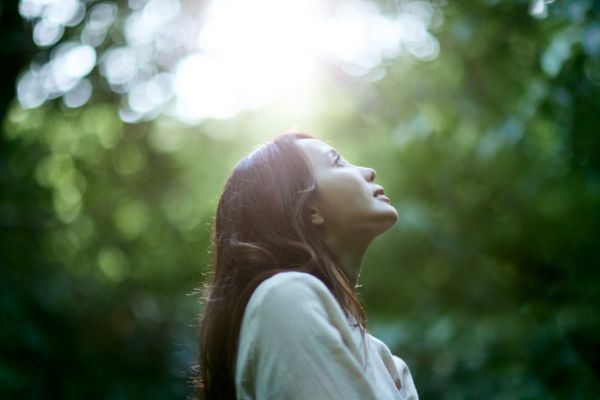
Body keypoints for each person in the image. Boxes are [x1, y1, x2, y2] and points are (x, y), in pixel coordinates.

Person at [196, 132, 419, 400]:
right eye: (337, 163)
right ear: (309, 209)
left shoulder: (387, 362)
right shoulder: (284, 297)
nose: (369, 172)